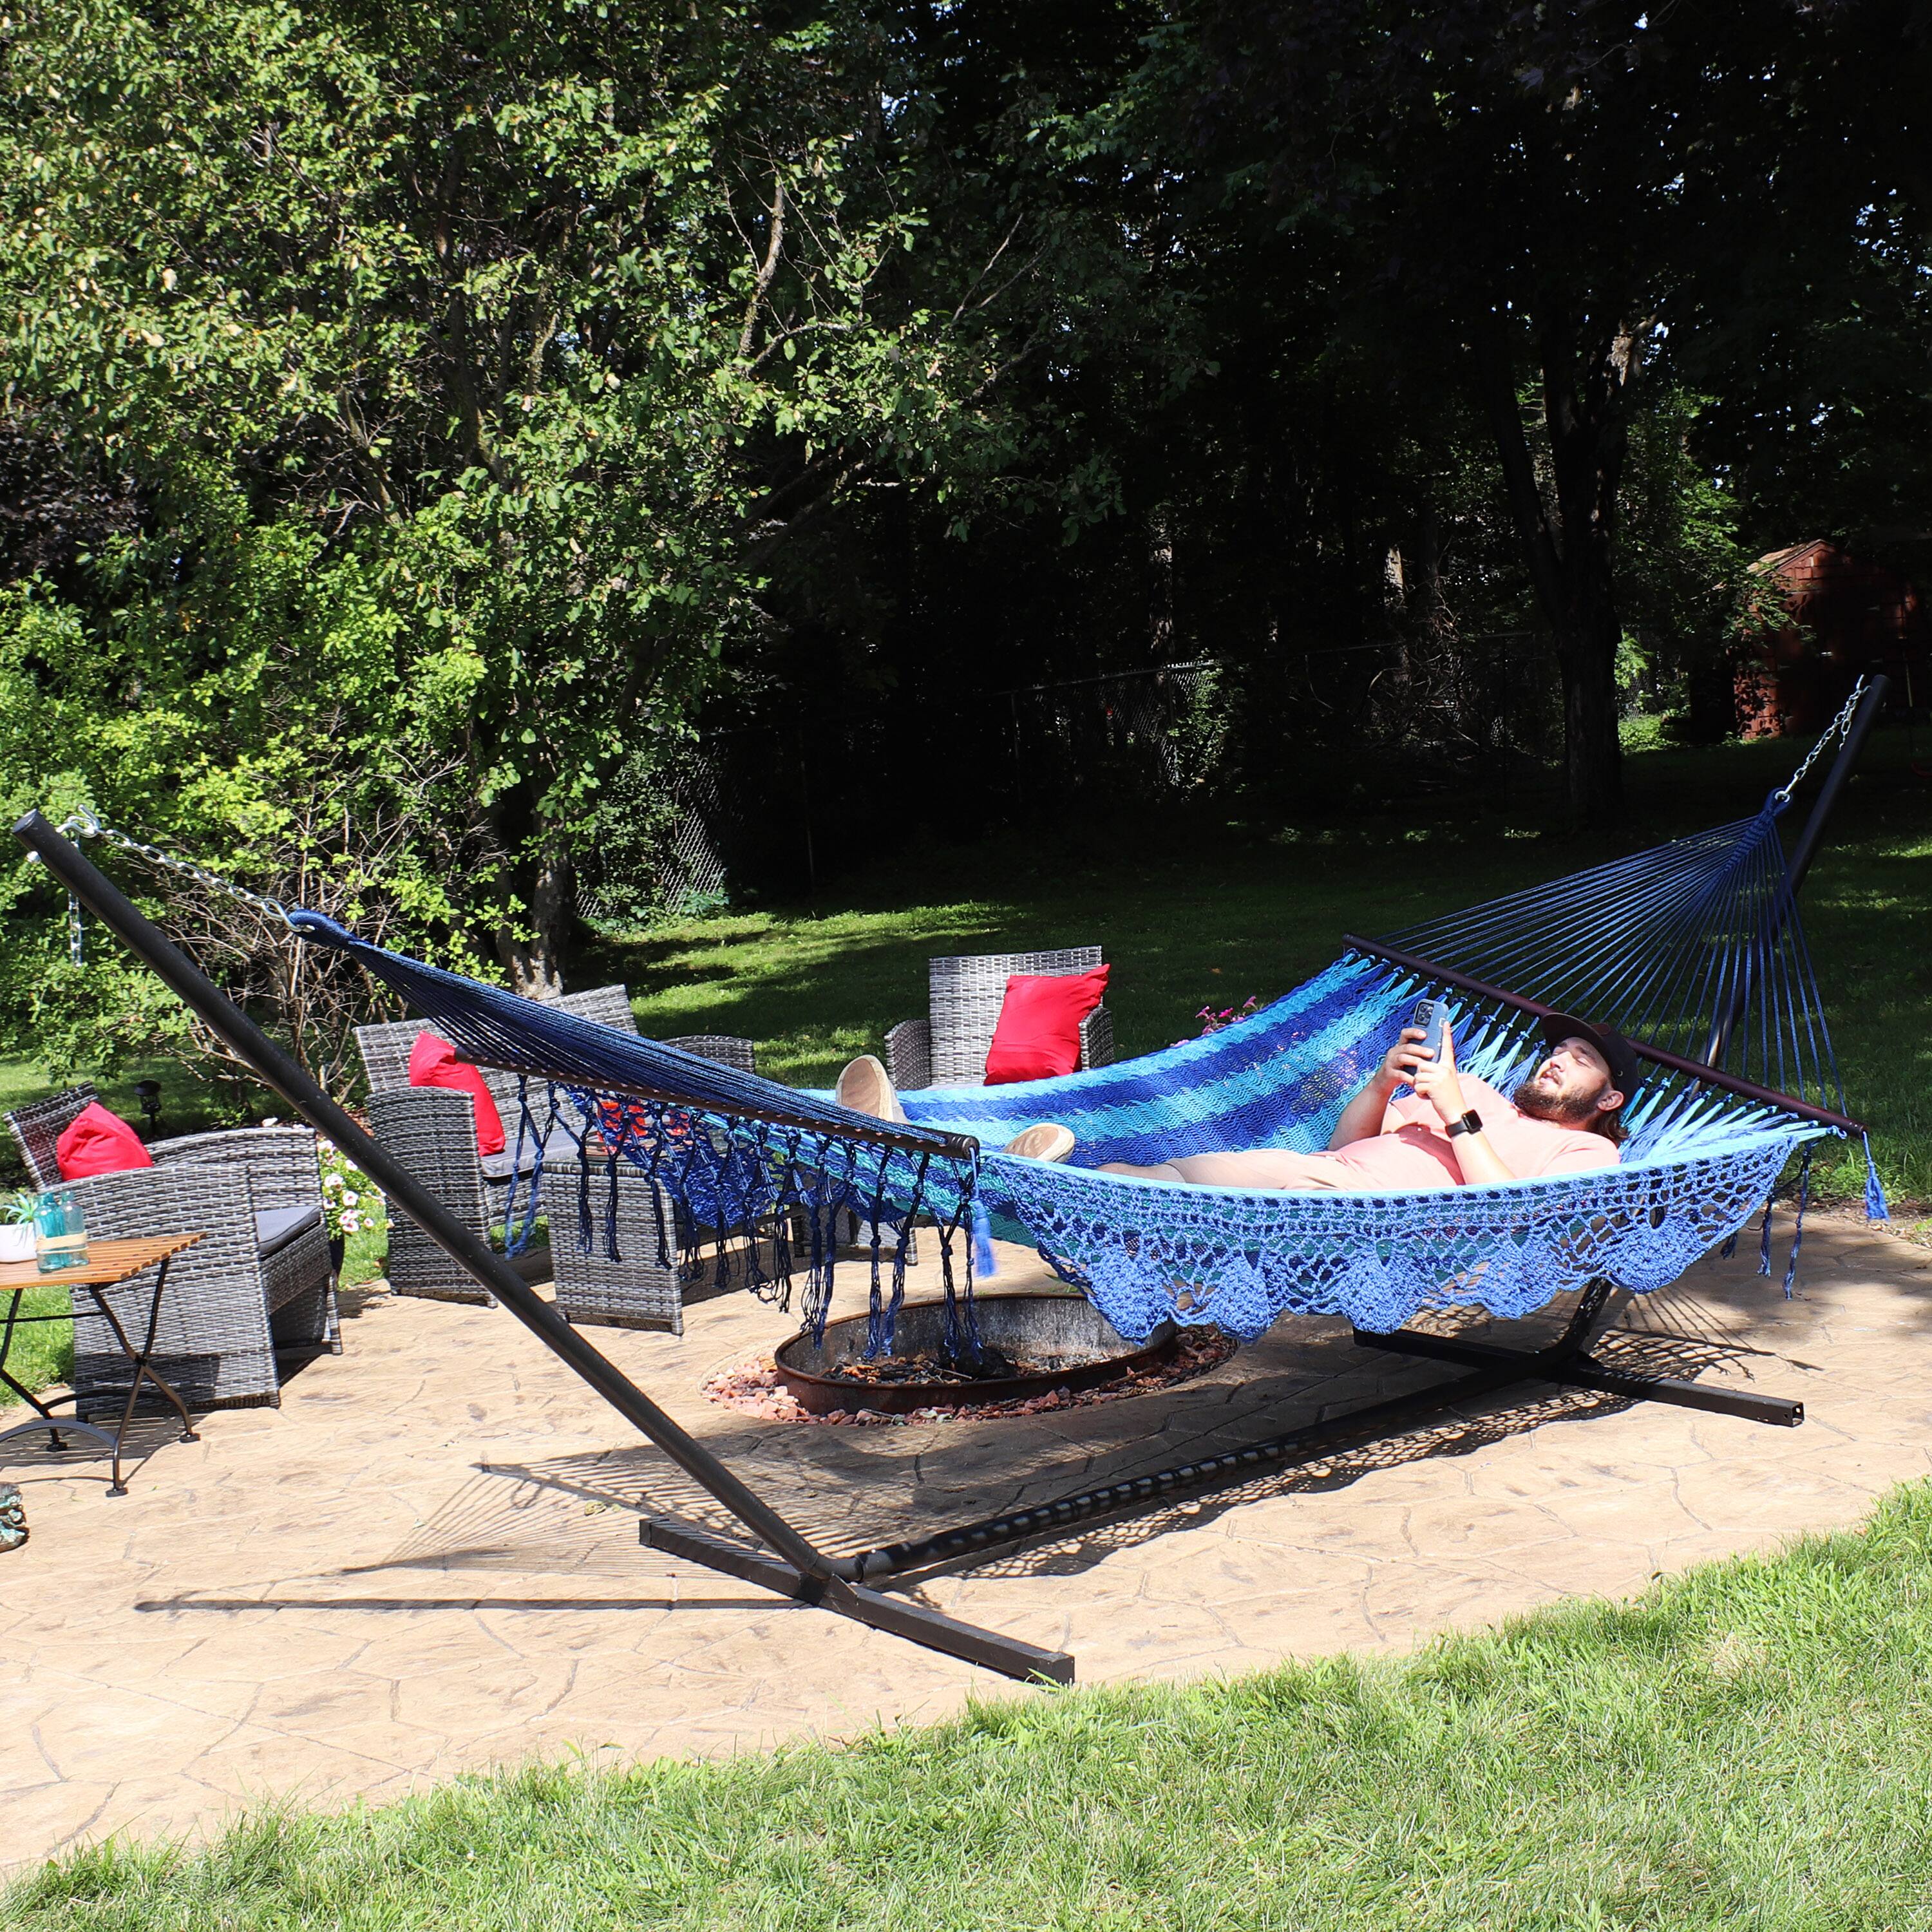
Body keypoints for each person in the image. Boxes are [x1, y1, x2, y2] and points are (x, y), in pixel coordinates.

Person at [1098, 1012, 1633, 1191]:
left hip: (1373, 1215)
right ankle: (1043, 1176)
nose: (1556, 1059)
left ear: (1610, 1098)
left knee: (1186, 1208)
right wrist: (1381, 1084)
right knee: (1148, 1178)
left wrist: (1452, 1111)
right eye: (1556, 1050)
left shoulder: (1588, 1155)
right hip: (1317, 1170)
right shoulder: (1470, 1088)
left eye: (1580, 1058)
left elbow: (1514, 1207)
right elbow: (1346, 1146)